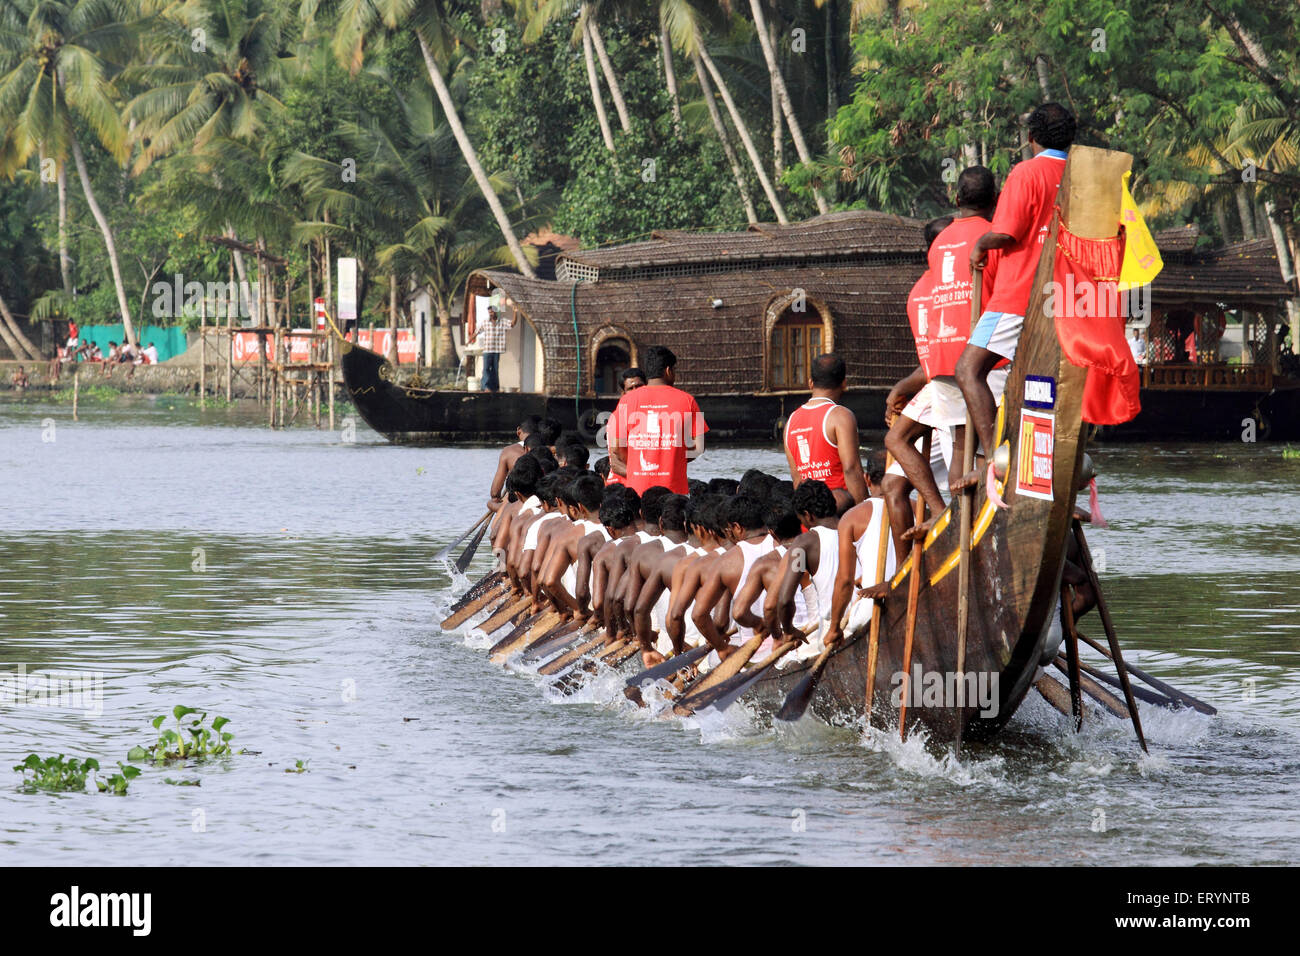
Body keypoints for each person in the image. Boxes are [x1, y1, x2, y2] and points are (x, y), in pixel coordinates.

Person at [955, 102, 1076, 490]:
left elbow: (1006, 232)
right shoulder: (1083, 175)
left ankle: (995, 459)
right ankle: (1045, 462)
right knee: (1040, 385)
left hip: (1020, 295)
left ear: (1031, 138)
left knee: (968, 370)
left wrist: (980, 245)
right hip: (1071, 299)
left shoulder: (1027, 172)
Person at [888, 168, 1002, 540]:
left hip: (942, 359)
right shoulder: (994, 235)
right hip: (983, 355)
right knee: (990, 437)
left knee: (957, 443)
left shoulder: (939, 243)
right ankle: (986, 520)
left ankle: (954, 520)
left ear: (956, 199)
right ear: (995, 198)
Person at [606, 345, 707, 495]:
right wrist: (672, 460)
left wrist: (638, 467)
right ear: (668, 371)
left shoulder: (626, 401)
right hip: (674, 492)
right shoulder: (688, 400)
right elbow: (699, 447)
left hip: (637, 491)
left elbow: (616, 450)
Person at [782, 352, 868, 514]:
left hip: (810, 518)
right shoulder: (841, 416)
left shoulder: (790, 422)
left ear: (810, 383)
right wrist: (864, 514)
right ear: (844, 383)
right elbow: (851, 469)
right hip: (840, 515)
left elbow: (797, 480)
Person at [474, 290, 515, 393]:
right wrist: (470, 339)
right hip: (487, 350)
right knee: (486, 369)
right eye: (489, 312)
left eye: (492, 312)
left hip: (497, 350)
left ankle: (495, 388)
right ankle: (485, 387)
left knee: (495, 370)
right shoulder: (485, 322)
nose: (490, 314)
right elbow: (477, 332)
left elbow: (512, 324)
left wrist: (515, 312)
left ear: (496, 311)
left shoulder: (502, 322)